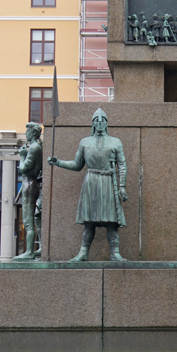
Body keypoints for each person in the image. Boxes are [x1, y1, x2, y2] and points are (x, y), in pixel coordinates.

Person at [48, 108, 128, 262]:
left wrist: (122, 186)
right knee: (89, 221)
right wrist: (58, 162)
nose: (99, 122)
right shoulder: (85, 142)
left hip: (109, 182)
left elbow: (122, 165)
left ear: (106, 123)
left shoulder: (115, 142)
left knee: (112, 221)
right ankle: (83, 253)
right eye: (96, 120)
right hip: (91, 182)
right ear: (92, 123)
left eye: (102, 119)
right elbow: (77, 165)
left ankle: (115, 253)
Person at [13, 122, 43, 261]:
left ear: (33, 133)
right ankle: (33, 249)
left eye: (27, 131)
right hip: (31, 183)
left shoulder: (34, 148)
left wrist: (22, 155)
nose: (26, 134)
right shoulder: (36, 147)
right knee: (32, 218)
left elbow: (24, 168)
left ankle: (29, 251)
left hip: (29, 183)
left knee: (28, 220)